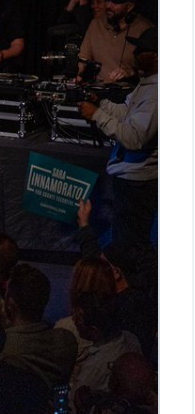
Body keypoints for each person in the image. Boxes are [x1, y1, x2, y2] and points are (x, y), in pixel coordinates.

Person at [78, 26, 157, 249]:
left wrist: (97, 114)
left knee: (130, 246)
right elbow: (126, 112)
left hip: (139, 182)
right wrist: (99, 102)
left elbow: (134, 138)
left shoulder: (158, 93)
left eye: (143, 50)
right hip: (129, 178)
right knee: (123, 240)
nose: (136, 54)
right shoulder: (148, 84)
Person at [76, 0, 152, 84]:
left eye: (115, 2)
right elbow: (83, 57)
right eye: (108, 0)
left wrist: (130, 72)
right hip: (99, 91)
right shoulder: (96, 24)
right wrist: (79, 74)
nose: (108, 5)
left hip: (129, 95)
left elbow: (153, 70)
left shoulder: (145, 29)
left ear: (129, 7)